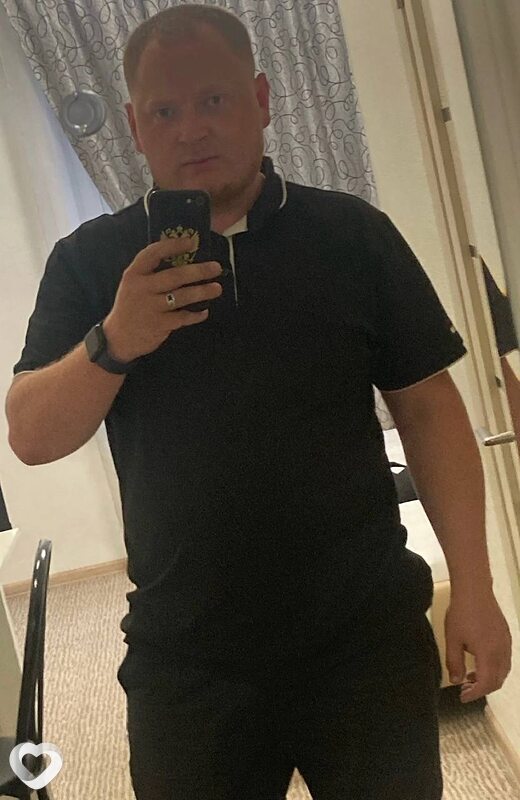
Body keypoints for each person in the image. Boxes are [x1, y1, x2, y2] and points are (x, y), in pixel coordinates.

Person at [5, 6, 512, 799]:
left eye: (214, 100)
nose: (190, 129)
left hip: (366, 641)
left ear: (263, 99)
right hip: (188, 662)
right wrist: (116, 338)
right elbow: (31, 437)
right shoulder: (89, 263)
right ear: (134, 127)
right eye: (164, 111)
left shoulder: (354, 235)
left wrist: (475, 588)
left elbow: (429, 410)